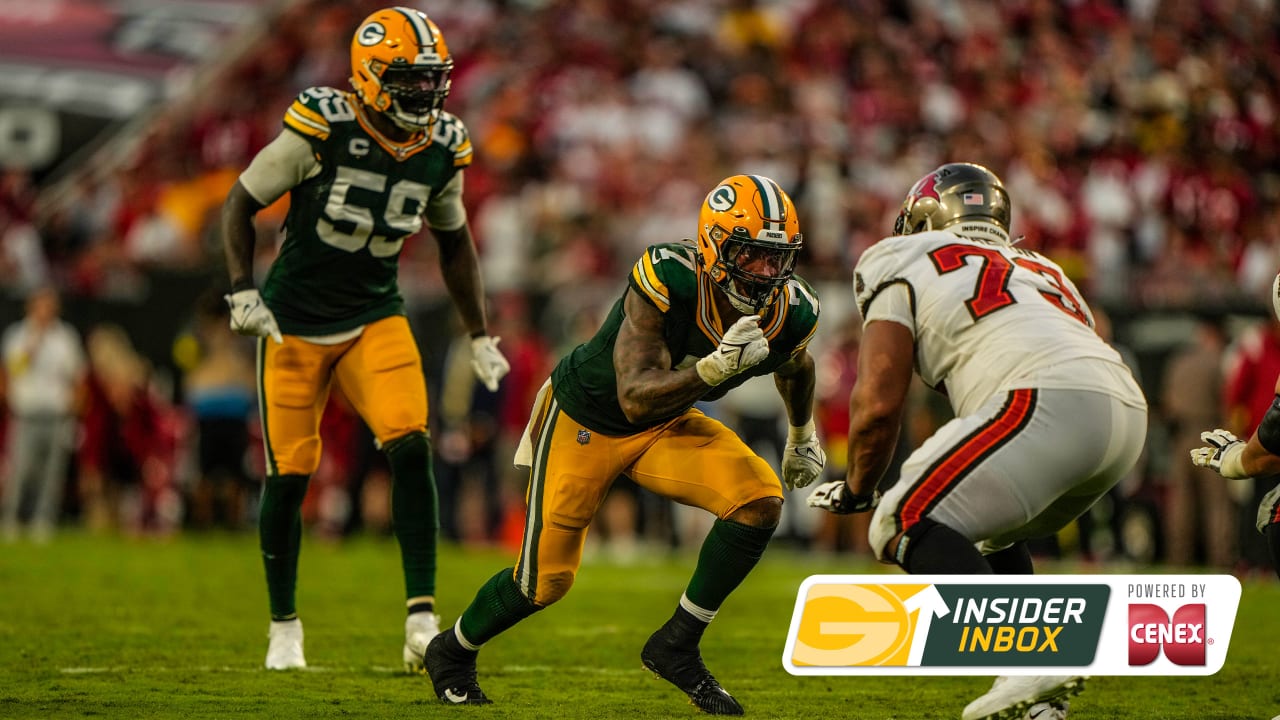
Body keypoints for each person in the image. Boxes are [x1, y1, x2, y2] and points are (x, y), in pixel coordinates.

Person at [423, 174, 824, 715]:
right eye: (749, 255)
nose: (765, 272)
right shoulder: (669, 274)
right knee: (543, 583)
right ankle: (450, 651)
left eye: (776, 258)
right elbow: (635, 396)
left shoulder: (792, 308)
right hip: (588, 418)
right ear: (712, 244)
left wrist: (802, 433)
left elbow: (796, 365)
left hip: (666, 426)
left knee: (758, 500)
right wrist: (711, 370)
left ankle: (676, 644)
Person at [219, 7, 510, 672]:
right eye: (411, 79)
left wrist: (478, 332)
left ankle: (422, 617)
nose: (427, 94)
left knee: (411, 443)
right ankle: (284, 624)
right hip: (292, 321)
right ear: (371, 76)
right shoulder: (325, 124)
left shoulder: (441, 145)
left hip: (375, 314)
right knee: (289, 475)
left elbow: (455, 241)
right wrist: (242, 287)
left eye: (433, 79)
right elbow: (239, 202)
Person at [807, 163, 1147, 720]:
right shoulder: (1044, 267)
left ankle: (1033, 663)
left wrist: (860, 486)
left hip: (1046, 397)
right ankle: (1041, 705)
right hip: (1124, 408)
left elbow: (877, 402)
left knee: (901, 520)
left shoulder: (897, 256)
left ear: (920, 218)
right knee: (986, 531)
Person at [1191, 274, 1280, 581]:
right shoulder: (1255, 343)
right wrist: (1240, 434)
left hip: (1268, 441)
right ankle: (1254, 561)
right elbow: (1236, 393)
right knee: (1257, 504)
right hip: (1265, 437)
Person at [0, 286, 85, 542]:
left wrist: (73, 407)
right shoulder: (16, 335)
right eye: (41, 305)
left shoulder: (66, 338)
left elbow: (77, 376)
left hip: (56, 414)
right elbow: (12, 372)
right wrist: (33, 344)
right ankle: (11, 518)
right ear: (31, 307)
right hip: (26, 414)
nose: (46, 311)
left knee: (52, 475)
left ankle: (43, 521)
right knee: (20, 470)